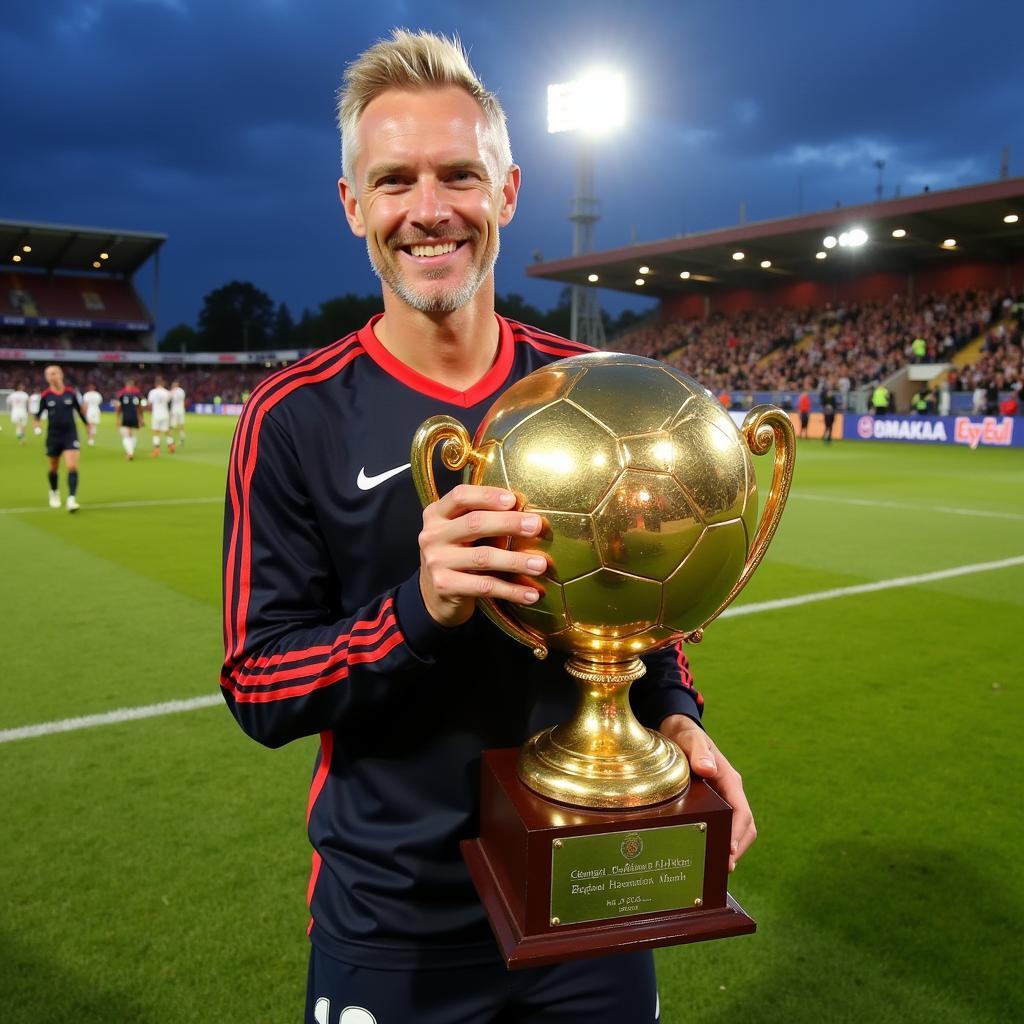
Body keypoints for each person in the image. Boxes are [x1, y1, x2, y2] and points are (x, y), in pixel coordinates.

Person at [220, 31, 755, 1024]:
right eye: (394, 181)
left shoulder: (597, 389)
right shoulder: (292, 417)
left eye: (459, 175)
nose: (429, 210)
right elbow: (258, 684)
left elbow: (645, 604)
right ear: (353, 207)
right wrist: (417, 610)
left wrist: (678, 716)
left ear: (507, 191)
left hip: (590, 891)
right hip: (392, 926)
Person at [33, 364, 87, 511]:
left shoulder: (70, 393)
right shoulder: (45, 396)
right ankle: (54, 492)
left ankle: (71, 499)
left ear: (61, 375)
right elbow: (37, 414)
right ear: (46, 378)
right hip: (53, 436)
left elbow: (80, 411)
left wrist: (87, 424)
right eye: (50, 374)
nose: (53, 376)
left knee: (72, 466)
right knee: (53, 468)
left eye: (55, 373)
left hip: (70, 434)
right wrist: (36, 425)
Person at [115, 377, 144, 459]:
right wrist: (141, 418)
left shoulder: (122, 394)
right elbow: (140, 408)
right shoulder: (137, 395)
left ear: (126, 386)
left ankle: (130, 452)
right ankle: (131, 451)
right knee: (133, 435)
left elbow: (119, 408)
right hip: (135, 417)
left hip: (126, 417)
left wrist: (117, 419)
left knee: (126, 436)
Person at [147, 375, 174, 456]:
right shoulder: (167, 392)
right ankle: (171, 445)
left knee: (156, 432)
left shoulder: (152, 392)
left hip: (156, 414)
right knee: (166, 430)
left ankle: (157, 449)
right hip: (165, 413)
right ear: (163, 384)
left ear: (155, 384)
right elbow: (169, 401)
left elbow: (149, 403)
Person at [169, 379, 187, 446]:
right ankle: (182, 438)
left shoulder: (173, 391)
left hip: (175, 410)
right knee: (181, 425)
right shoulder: (182, 391)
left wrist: (171, 391)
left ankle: (170, 441)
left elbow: (170, 398)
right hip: (181, 410)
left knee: (171, 426)